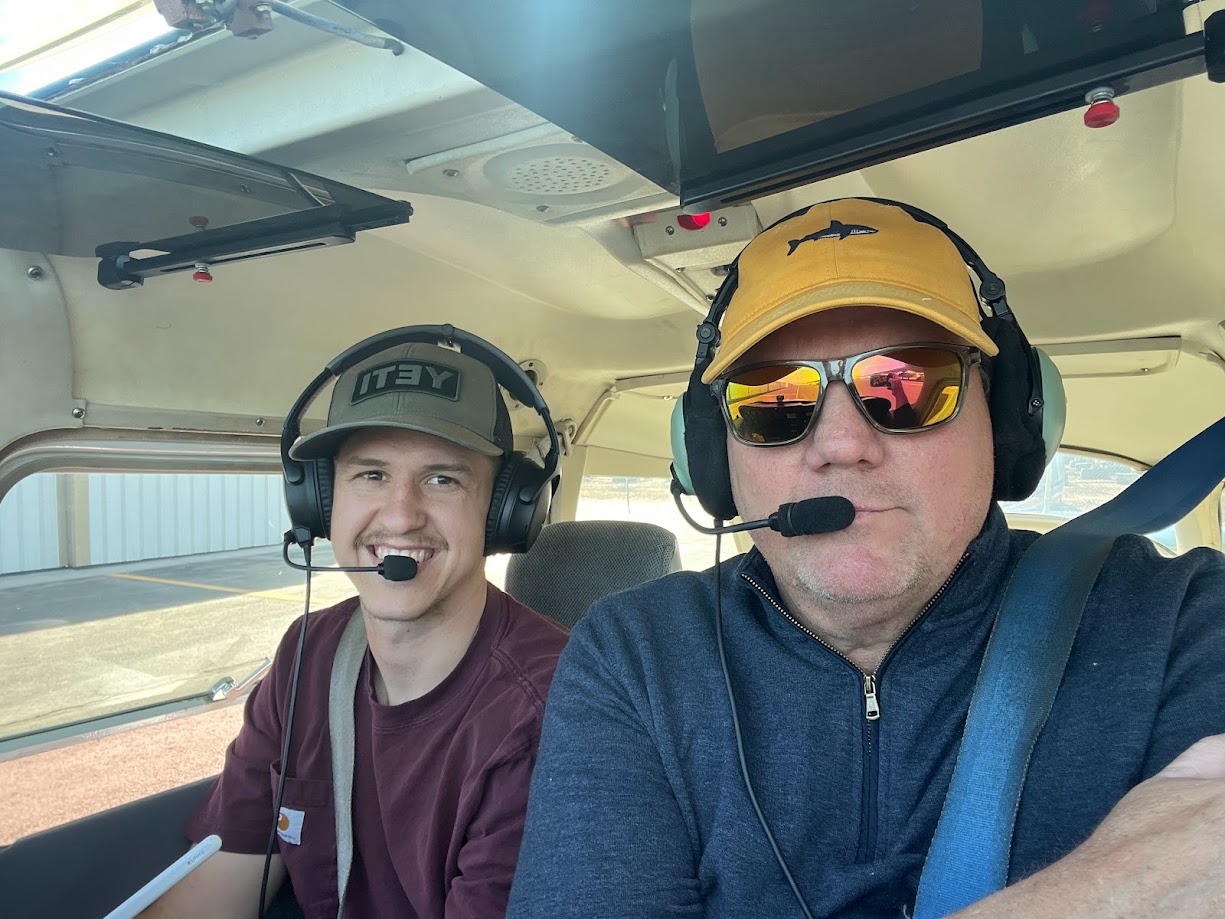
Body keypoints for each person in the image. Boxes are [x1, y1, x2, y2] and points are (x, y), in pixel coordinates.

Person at [506, 199, 1225, 918]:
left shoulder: (1180, 623)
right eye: (774, 400)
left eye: (907, 383)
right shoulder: (637, 653)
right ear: (714, 457)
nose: (840, 443)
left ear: (1007, 420)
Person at [145, 329, 570, 919]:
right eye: (369, 475)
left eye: (442, 478)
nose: (400, 514)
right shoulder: (308, 653)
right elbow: (225, 879)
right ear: (321, 502)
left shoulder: (551, 710)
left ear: (504, 512)